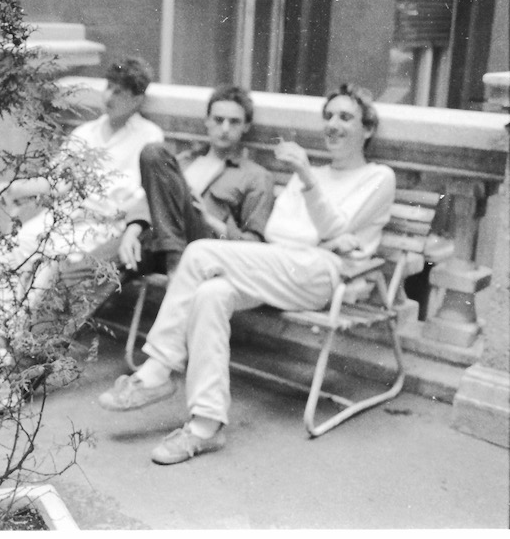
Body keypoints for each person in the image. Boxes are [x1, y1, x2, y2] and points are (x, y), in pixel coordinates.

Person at [98, 83, 395, 465]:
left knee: (200, 252)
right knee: (210, 294)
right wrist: (322, 233)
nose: (333, 125)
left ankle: (157, 368)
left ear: (367, 129)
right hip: (281, 262)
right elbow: (280, 230)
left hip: (321, 273)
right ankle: (206, 426)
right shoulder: (310, 175)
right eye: (329, 116)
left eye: (346, 117)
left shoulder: (377, 177)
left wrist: (312, 192)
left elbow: (337, 227)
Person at [0, 57, 166, 378]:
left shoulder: (148, 137)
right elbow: (56, 180)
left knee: (49, 260)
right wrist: (15, 187)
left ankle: (14, 345)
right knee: (14, 247)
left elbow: (142, 195)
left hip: (103, 225)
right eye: (108, 87)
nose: (109, 96)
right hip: (64, 214)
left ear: (137, 99)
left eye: (120, 91)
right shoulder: (86, 132)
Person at [118, 85, 275, 276]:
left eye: (234, 122)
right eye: (218, 120)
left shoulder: (257, 177)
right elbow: (150, 198)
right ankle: (172, 259)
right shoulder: (183, 161)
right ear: (207, 120)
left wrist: (209, 221)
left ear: (246, 126)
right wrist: (132, 230)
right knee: (91, 271)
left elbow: (255, 246)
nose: (225, 129)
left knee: (154, 153)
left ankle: (175, 261)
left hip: (201, 246)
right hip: (154, 240)